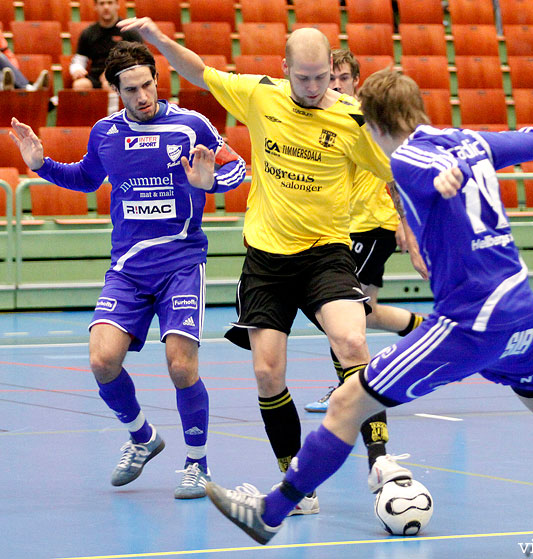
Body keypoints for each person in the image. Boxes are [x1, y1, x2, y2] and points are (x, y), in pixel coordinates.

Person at [204, 74, 533, 544]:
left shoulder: (406, 159)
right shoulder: (466, 139)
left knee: (348, 402)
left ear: (372, 123)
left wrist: (442, 181)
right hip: (521, 308)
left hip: (471, 321)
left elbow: (427, 175)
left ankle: (271, 513)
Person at [117, 18, 417, 513]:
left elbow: (399, 168)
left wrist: (412, 220)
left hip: (325, 254)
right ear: (285, 71)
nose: (316, 87)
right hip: (266, 261)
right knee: (266, 373)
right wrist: (155, 39)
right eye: (305, 78)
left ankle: (379, 461)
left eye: (323, 77)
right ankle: (297, 486)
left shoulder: (350, 118)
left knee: (353, 340)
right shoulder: (261, 95)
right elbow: (199, 71)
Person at [10, 41, 247, 499]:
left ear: (158, 80)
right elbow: (84, 178)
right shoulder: (105, 132)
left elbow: (237, 169)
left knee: (181, 366)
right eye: (132, 89)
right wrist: (41, 165)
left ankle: (197, 463)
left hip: (181, 262)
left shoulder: (190, 125)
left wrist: (210, 182)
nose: (143, 96)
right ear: (115, 90)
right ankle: (142, 436)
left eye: (148, 85)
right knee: (102, 360)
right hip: (128, 268)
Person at [304, 48, 425, 414]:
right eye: (332, 78)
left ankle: (351, 391)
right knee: (364, 312)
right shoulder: (329, 117)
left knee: (341, 309)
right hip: (344, 226)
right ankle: (423, 330)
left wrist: (406, 226)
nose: (337, 84)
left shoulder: (367, 121)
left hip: (373, 226)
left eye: (344, 78)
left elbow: (396, 173)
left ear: (356, 81)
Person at [71, 0, 142, 92]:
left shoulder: (129, 31)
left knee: (110, 85)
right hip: (95, 76)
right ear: (95, 6)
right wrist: (77, 70)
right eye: (102, 3)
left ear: (117, 5)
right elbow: (79, 59)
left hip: (122, 75)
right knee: (79, 85)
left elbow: (140, 60)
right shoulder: (88, 33)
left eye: (110, 3)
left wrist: (112, 73)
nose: (106, 7)